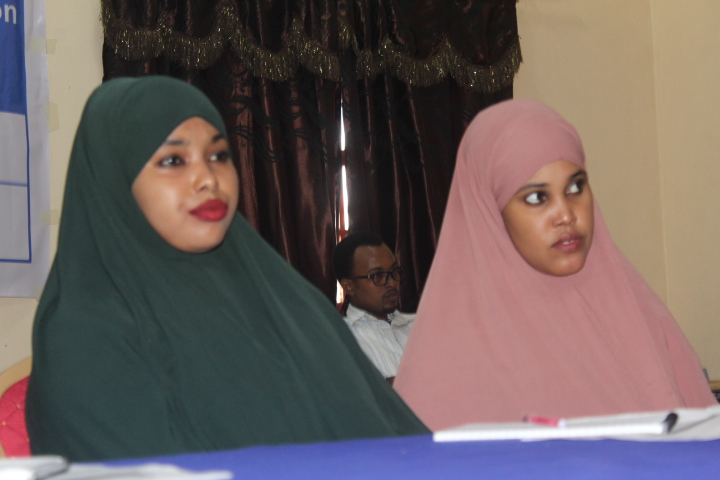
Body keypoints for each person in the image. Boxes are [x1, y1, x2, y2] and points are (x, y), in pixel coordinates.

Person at [26, 76, 427, 462]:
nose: (207, 179)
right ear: (115, 179)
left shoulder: (286, 300)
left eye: (218, 156)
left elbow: (392, 432)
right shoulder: (84, 332)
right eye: (173, 160)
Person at [394, 99, 716, 431]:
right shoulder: (449, 356)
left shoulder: (640, 315)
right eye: (537, 198)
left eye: (576, 187)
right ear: (491, 212)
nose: (566, 215)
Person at [334, 232, 414, 384]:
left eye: (394, 271)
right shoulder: (340, 340)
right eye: (377, 276)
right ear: (349, 286)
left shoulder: (421, 325)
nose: (391, 283)